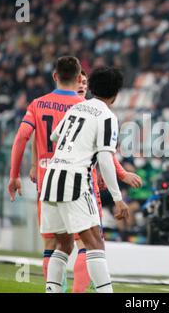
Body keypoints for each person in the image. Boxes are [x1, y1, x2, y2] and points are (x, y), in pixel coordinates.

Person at [39, 66, 128, 293]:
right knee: (94, 243)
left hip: (51, 177)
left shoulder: (77, 108)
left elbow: (54, 135)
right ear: (115, 95)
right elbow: (105, 158)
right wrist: (117, 198)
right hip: (74, 180)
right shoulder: (107, 116)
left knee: (64, 244)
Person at [8, 56, 84, 283]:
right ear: (80, 78)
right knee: (86, 246)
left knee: (51, 246)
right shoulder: (85, 108)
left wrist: (14, 176)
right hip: (76, 183)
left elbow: (22, 137)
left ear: (55, 76)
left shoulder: (37, 104)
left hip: (47, 183)